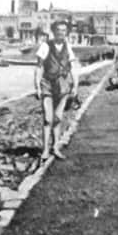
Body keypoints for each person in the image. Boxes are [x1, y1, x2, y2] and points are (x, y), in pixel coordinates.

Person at [35, 21, 78, 161]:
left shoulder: (68, 47)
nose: (61, 33)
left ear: (67, 32)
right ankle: (45, 150)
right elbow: (39, 67)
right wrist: (37, 86)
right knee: (48, 119)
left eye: (64, 30)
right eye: (58, 30)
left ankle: (55, 147)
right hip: (47, 83)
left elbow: (72, 67)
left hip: (63, 84)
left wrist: (75, 85)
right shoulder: (45, 46)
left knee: (58, 118)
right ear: (53, 31)